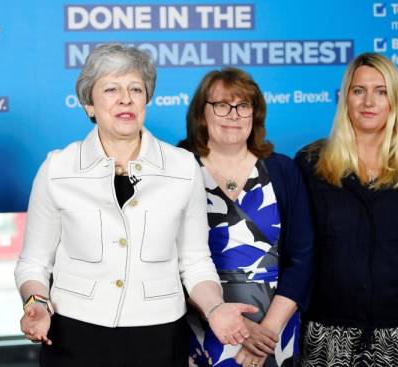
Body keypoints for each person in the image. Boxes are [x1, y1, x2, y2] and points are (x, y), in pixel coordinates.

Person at [14, 44, 259, 367]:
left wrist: (214, 308)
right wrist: (37, 303)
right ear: (89, 104)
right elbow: (33, 263)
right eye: (111, 89)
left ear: (147, 99)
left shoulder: (182, 167)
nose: (125, 99)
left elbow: (195, 261)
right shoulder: (57, 169)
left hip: (158, 336)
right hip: (74, 335)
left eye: (135, 89)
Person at [179, 67, 314, 367]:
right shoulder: (178, 168)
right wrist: (228, 322)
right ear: (202, 113)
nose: (234, 115)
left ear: (255, 114)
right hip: (205, 321)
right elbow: (166, 259)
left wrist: (267, 332)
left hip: (275, 327)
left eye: (243, 106)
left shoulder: (282, 170)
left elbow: (302, 259)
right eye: (222, 105)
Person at [296, 53, 398, 366]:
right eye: (358, 91)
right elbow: (296, 251)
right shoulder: (312, 162)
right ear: (345, 99)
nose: (369, 101)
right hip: (328, 335)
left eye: (381, 91)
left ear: (395, 100)